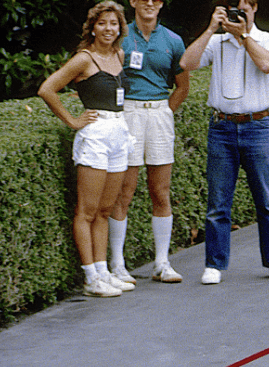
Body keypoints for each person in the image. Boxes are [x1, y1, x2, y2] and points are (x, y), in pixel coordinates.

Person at [180, 0, 269, 285]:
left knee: (266, 200)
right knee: (218, 202)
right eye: (233, 11)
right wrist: (210, 29)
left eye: (243, 10)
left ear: (254, 9)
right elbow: (186, 63)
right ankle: (214, 264)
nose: (238, 16)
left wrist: (243, 36)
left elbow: (267, 65)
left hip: (259, 125)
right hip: (222, 127)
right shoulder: (217, 42)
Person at [38, 1, 136, 298]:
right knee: (87, 210)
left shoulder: (120, 54)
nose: (109, 29)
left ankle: (103, 272)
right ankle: (90, 277)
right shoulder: (84, 59)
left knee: (105, 210)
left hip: (119, 132)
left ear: (121, 27)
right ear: (92, 26)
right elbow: (47, 89)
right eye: (103, 23)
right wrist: (73, 121)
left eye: (114, 24)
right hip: (95, 136)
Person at [109, 0, 189, 285]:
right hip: (128, 113)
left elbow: (182, 85)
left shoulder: (172, 40)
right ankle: (117, 265)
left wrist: (165, 111)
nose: (150, 3)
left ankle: (162, 263)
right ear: (133, 2)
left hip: (158, 113)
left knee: (160, 190)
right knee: (123, 191)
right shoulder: (120, 36)